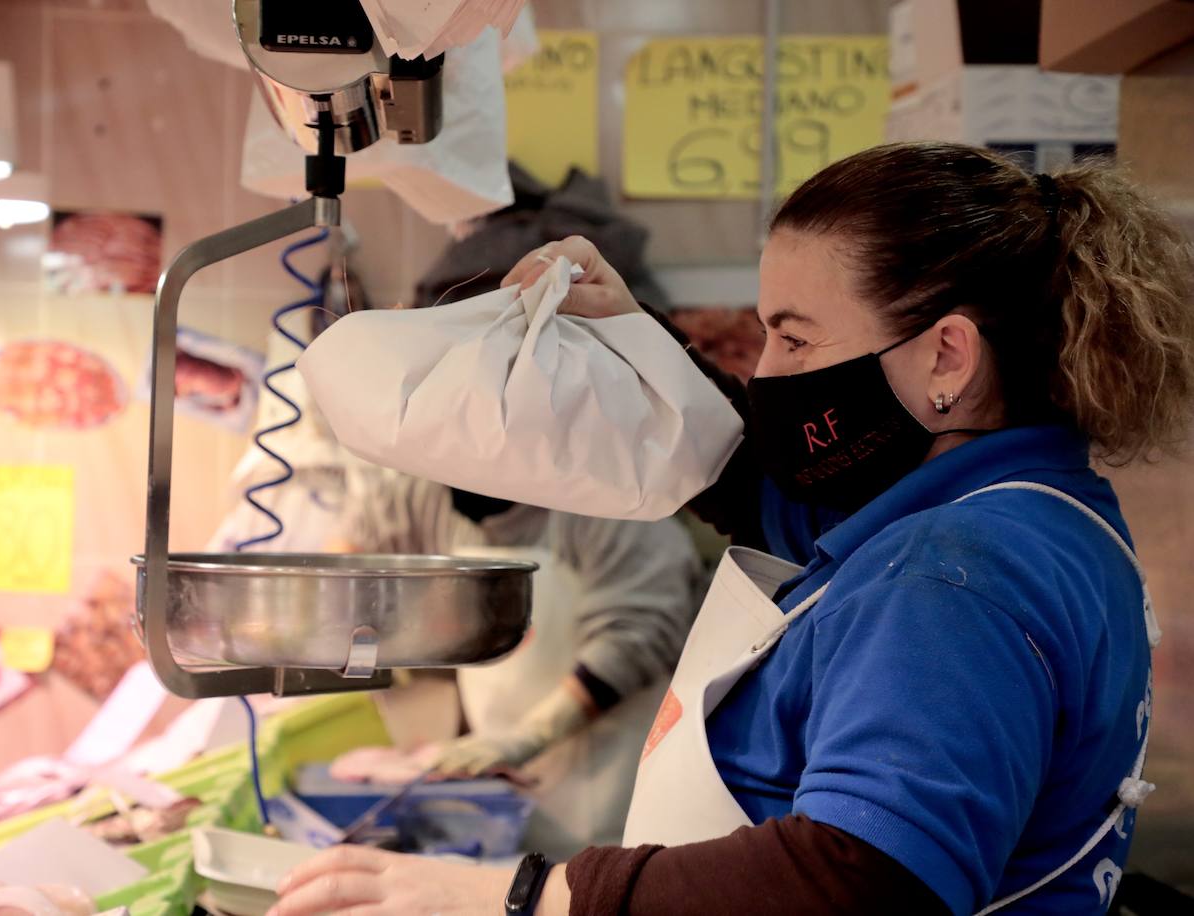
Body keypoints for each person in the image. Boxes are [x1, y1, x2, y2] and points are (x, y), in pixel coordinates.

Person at [267, 142, 1194, 915]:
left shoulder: (952, 574)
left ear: (946, 354)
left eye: (795, 339)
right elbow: (766, 492)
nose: (767, 370)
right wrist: (641, 348)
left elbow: (862, 878)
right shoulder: (1033, 506)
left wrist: (528, 898)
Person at [328, 469, 702, 860]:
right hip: (507, 798)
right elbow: (357, 544)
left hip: (611, 785)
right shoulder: (428, 491)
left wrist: (528, 737)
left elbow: (634, 639)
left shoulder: (613, 498)